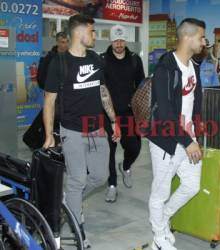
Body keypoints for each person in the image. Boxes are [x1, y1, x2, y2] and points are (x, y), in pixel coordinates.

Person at [43, 14, 120, 248]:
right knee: (77, 179)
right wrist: (49, 134)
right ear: (79, 33)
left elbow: (102, 90)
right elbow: (49, 101)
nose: (96, 36)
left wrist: (113, 119)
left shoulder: (96, 59)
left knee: (100, 176)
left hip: (96, 128)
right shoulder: (60, 63)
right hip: (72, 130)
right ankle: (79, 232)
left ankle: (69, 202)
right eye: (93, 31)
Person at [147, 18, 206, 250]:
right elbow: (164, 113)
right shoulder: (165, 69)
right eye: (201, 37)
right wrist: (186, 141)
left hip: (187, 138)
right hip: (166, 140)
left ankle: (163, 219)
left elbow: (196, 103)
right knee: (159, 192)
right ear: (187, 37)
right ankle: (159, 238)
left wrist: (195, 134)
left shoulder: (195, 67)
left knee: (191, 185)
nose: (204, 42)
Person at [100, 25, 145, 203]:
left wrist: (142, 112)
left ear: (125, 41)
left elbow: (141, 86)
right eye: (115, 41)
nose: (119, 44)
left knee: (134, 147)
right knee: (109, 152)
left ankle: (125, 166)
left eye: (121, 40)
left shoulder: (135, 60)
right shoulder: (102, 60)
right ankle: (112, 185)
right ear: (111, 41)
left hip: (129, 114)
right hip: (108, 114)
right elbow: (100, 88)